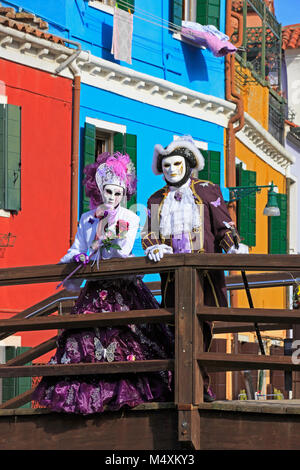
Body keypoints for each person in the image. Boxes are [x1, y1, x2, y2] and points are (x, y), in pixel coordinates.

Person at [32, 152, 174, 414]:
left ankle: (127, 399)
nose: (112, 197)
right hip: (95, 291)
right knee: (83, 340)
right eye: (108, 191)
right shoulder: (87, 219)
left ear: (124, 192)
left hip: (122, 290)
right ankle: (89, 400)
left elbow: (122, 250)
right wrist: (78, 257)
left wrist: (106, 240)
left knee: (129, 339)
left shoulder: (130, 219)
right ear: (99, 189)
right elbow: (76, 249)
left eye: (118, 193)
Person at [141, 135, 248, 402]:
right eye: (166, 165)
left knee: (202, 327)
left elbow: (223, 226)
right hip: (173, 277)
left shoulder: (207, 190)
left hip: (203, 276)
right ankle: (179, 387)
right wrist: (154, 246)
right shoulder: (156, 199)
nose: (171, 170)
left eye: (177, 164)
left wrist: (232, 244)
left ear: (188, 165)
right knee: (174, 329)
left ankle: (200, 386)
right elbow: (149, 233)